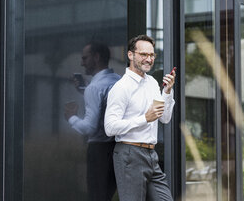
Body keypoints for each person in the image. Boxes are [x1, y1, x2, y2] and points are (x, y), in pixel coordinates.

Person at [104, 35, 176, 201]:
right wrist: (145, 118)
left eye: (151, 55)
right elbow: (110, 127)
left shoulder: (151, 82)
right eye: (144, 54)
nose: (148, 59)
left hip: (151, 155)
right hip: (129, 154)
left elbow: (165, 118)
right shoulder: (121, 88)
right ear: (131, 55)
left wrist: (167, 92)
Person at [64, 42, 120, 201]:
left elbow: (89, 127)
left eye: (85, 58)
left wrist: (71, 118)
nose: (82, 63)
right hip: (120, 148)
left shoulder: (94, 88)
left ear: (96, 57)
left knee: (98, 196)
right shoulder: (120, 81)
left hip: (100, 152)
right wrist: (85, 92)